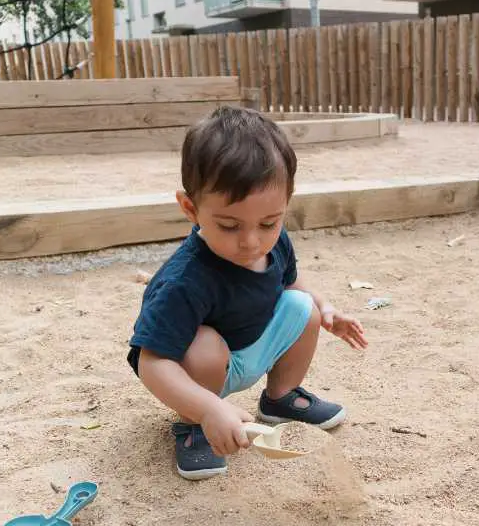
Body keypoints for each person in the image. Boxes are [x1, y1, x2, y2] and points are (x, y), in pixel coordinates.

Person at [126, 106, 368, 481]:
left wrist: (327, 308)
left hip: (250, 346)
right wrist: (207, 409)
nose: (251, 241)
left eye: (269, 222)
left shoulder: (273, 243)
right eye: (229, 225)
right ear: (191, 209)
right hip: (200, 373)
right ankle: (193, 426)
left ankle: (280, 398)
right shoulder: (184, 281)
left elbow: (290, 282)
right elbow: (152, 362)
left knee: (303, 307)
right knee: (202, 345)